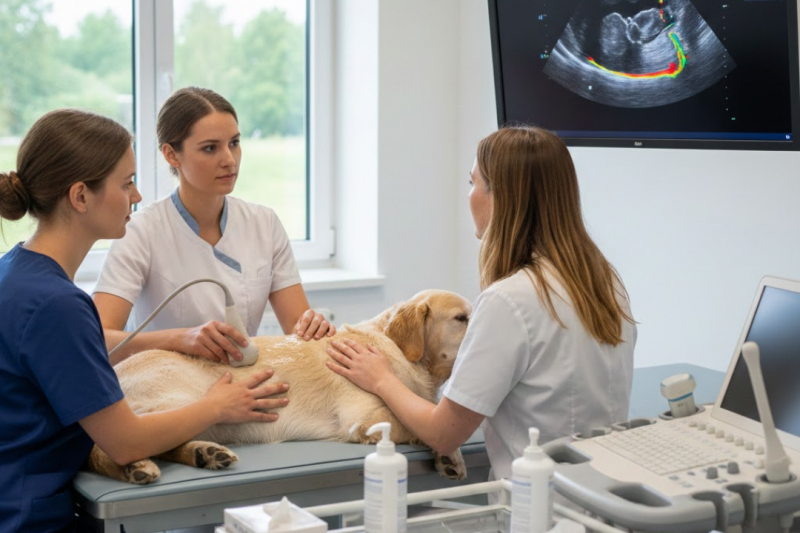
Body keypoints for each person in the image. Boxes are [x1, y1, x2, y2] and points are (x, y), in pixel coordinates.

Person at [0, 109, 287, 533]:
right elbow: (125, 442)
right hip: (30, 518)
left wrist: (174, 340)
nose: (136, 196)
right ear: (80, 197)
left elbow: (71, 356)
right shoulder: (57, 305)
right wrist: (217, 406)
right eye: (126, 182)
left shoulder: (15, 272)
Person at [326, 126, 637, 483]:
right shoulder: (607, 283)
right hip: (609, 500)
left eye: (473, 183)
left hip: (539, 509)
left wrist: (381, 379)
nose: (469, 195)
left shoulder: (508, 300)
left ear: (501, 197)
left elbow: (445, 434)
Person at [93, 87, 334, 365]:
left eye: (234, 143)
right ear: (172, 155)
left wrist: (312, 328)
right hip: (166, 390)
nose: (229, 160)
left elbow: (297, 328)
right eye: (210, 148)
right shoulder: (140, 231)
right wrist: (180, 339)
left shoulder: (264, 224)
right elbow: (100, 340)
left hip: (242, 386)